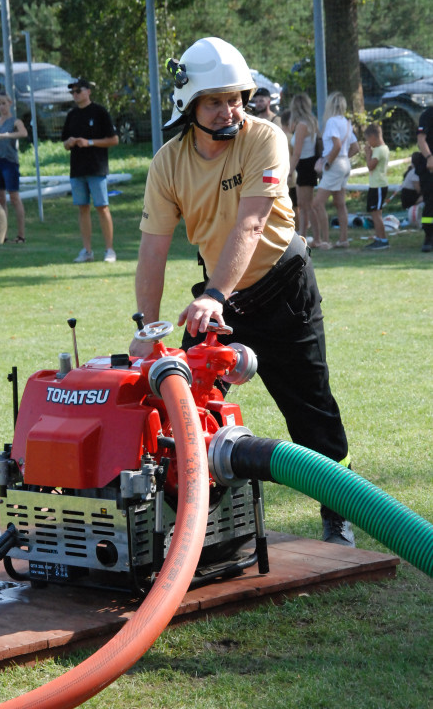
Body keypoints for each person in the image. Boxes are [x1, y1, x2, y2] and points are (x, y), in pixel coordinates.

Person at [130, 36, 354, 547]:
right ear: (188, 105)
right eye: (215, 100)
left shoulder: (265, 137)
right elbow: (152, 251)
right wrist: (146, 328)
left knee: (312, 413)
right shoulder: (167, 163)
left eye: (237, 98)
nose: (230, 110)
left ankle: (338, 514)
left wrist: (213, 294)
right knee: (179, 409)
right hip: (219, 300)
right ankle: (180, 524)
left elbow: (251, 225)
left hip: (282, 291)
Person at [61, 77, 119, 263]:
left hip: (96, 168)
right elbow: (64, 143)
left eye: (78, 91)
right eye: (73, 92)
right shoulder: (71, 115)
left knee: (102, 207)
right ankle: (87, 251)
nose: (75, 95)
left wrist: (90, 142)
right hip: (77, 169)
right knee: (82, 208)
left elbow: (114, 139)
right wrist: (69, 143)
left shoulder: (99, 112)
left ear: (88, 92)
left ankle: (109, 250)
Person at [311, 91, 359, 249]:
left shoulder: (331, 122)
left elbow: (337, 145)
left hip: (336, 164)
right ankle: (343, 239)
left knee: (317, 203)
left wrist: (327, 163)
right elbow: (355, 147)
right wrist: (342, 159)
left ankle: (326, 240)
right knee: (340, 203)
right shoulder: (346, 122)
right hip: (344, 163)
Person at [0, 92, 28, 243]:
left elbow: (23, 133)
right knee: (0, 199)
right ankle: (3, 234)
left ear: (10, 103)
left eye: (4, 103)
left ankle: (21, 235)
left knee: (14, 197)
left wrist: (4, 135)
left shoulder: (15, 121)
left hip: (9, 163)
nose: (2, 106)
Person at [288, 93, 320, 240]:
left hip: (306, 164)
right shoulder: (311, 122)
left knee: (307, 205)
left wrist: (289, 171)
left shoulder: (302, 126)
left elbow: (297, 152)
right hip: (306, 164)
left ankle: (318, 238)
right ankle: (303, 235)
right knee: (302, 203)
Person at [363, 123, 389, 250]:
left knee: (376, 214)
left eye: (368, 140)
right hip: (376, 185)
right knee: (375, 213)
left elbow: (370, 166)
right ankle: (378, 237)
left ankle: (383, 239)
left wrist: (368, 153)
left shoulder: (379, 150)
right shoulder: (382, 149)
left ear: (373, 137)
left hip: (378, 185)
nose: (368, 143)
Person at [415, 106, 433, 252]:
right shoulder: (427, 115)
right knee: (430, 202)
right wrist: (429, 157)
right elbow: (421, 139)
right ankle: (429, 236)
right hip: (430, 167)